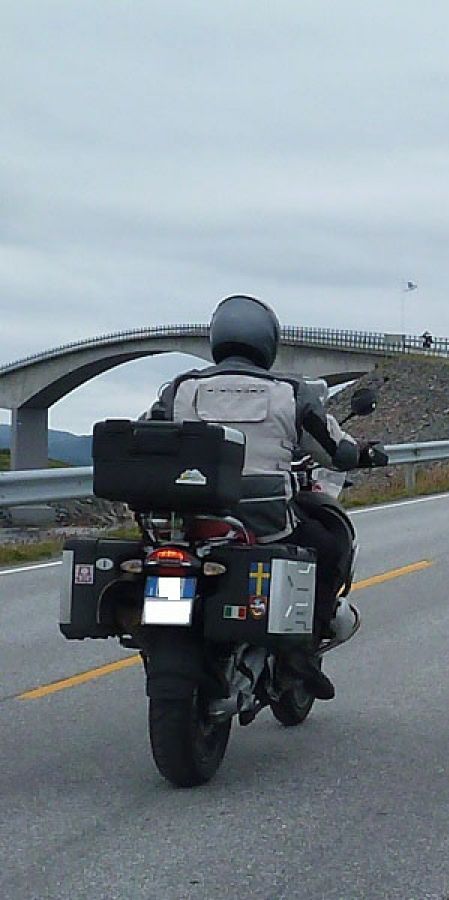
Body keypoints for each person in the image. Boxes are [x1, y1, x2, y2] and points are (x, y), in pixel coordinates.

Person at [148, 295, 387, 699]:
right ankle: (300, 651)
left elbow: (146, 438)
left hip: (187, 519)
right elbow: (337, 451)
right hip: (264, 521)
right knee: (330, 544)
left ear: (217, 337)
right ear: (268, 342)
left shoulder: (179, 390)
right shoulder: (289, 393)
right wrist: (362, 453)